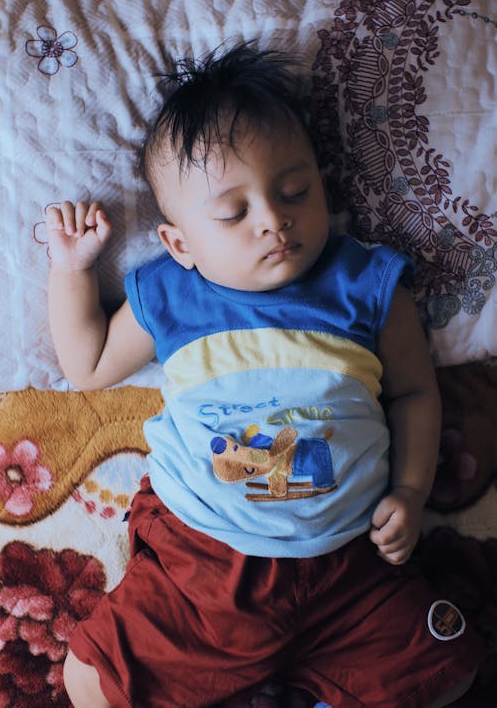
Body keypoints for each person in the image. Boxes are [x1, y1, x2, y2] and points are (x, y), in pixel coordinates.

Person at [46, 43, 484, 708]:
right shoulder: (173, 293)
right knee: (90, 679)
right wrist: (71, 269)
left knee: (451, 671)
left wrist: (413, 489)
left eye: (294, 191)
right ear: (181, 244)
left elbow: (416, 392)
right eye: (234, 213)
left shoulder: (365, 281)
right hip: (206, 566)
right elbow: (87, 365)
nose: (274, 221)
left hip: (353, 564)